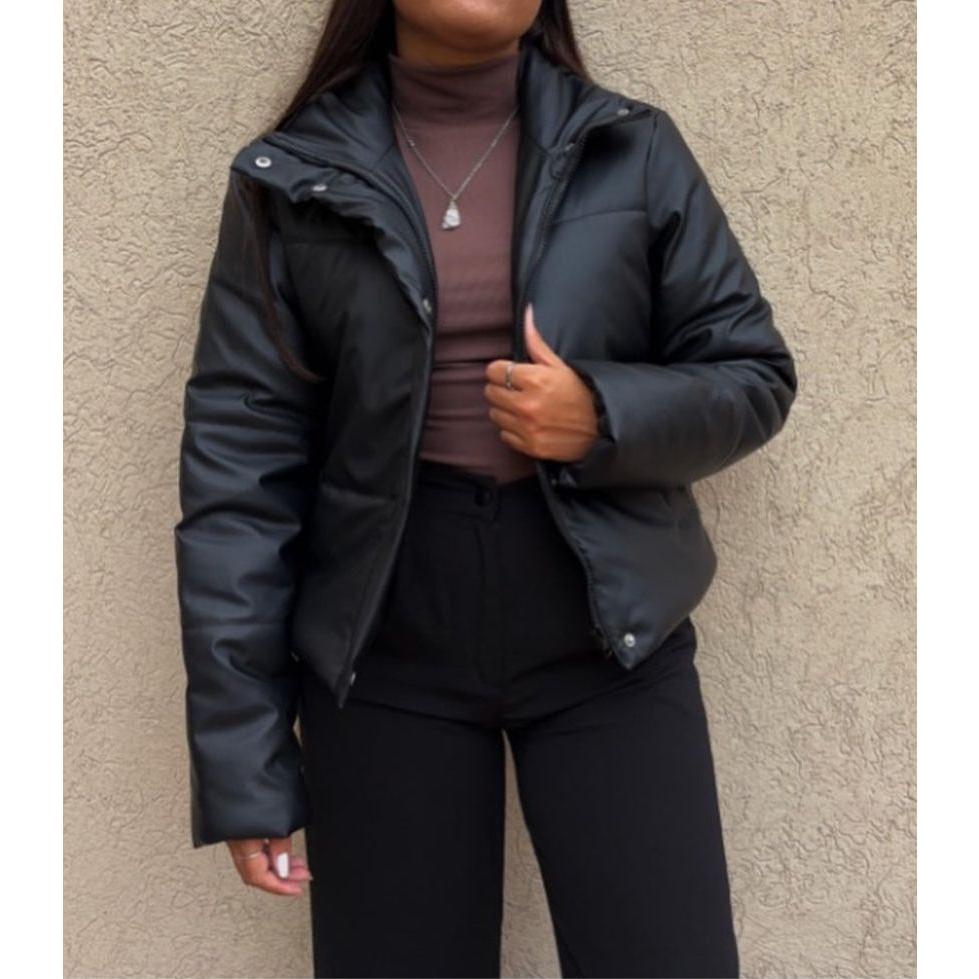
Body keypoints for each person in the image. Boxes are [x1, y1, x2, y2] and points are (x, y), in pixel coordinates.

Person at [174, 1, 797, 976]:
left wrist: (601, 415)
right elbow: (239, 479)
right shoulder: (291, 176)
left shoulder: (629, 148)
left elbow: (752, 375)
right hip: (384, 648)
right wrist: (243, 763)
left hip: (608, 635)